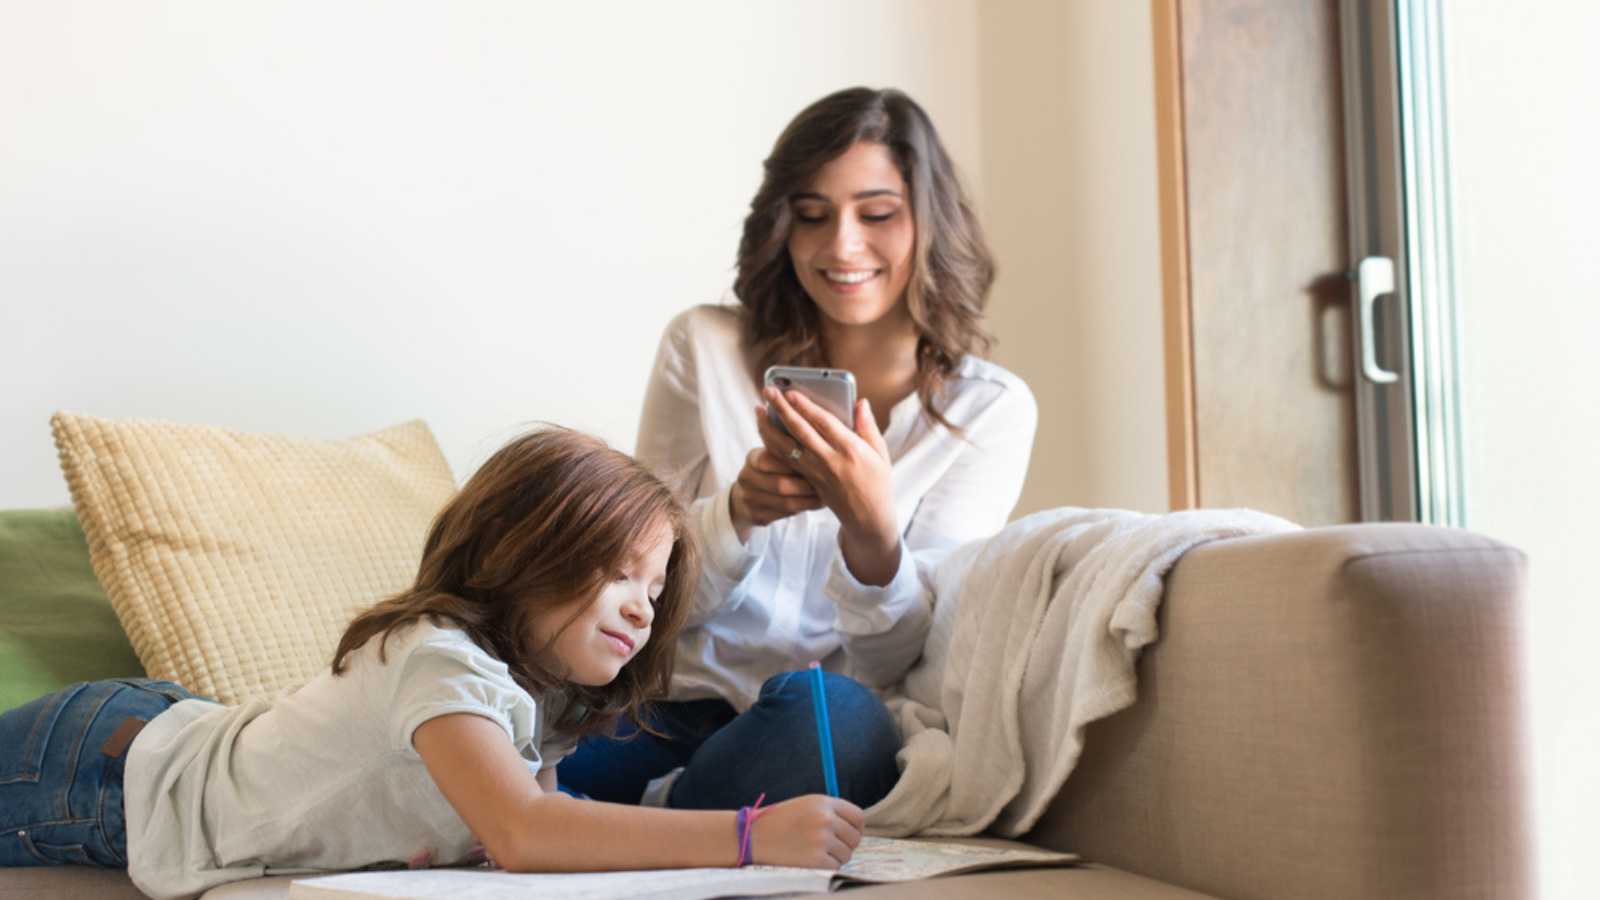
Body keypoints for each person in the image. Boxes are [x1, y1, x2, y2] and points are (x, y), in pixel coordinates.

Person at [0, 428, 863, 900]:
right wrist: (749, 836)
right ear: (523, 552)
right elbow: (525, 831)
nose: (643, 606)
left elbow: (539, 823)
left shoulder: (543, 695)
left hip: (163, 733)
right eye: (615, 573)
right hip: (104, 767)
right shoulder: (440, 662)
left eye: (654, 582)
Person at [560, 87, 1038, 812]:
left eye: (877, 214)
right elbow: (637, 594)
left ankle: (653, 820)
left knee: (840, 720)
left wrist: (873, 533)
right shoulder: (703, 348)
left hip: (811, 724)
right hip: (662, 705)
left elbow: (905, 659)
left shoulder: (988, 411)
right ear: (783, 226)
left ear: (929, 221)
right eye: (812, 216)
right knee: (482, 755)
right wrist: (736, 513)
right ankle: (670, 819)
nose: (841, 245)